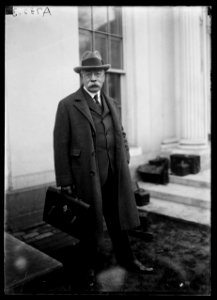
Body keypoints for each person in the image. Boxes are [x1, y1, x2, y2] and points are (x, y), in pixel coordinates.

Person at [53, 50, 154, 286]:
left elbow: (122, 132)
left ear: (104, 76)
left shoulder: (111, 103)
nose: (93, 78)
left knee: (118, 222)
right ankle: (86, 269)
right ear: (82, 77)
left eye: (97, 73)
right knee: (88, 228)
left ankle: (128, 261)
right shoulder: (67, 105)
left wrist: (125, 155)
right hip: (86, 177)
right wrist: (65, 180)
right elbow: (60, 145)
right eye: (88, 74)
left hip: (114, 175)